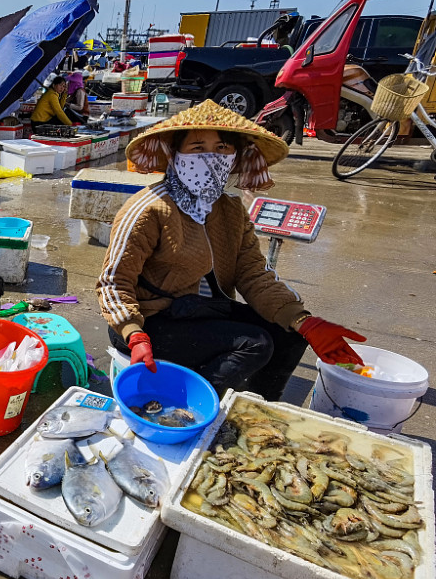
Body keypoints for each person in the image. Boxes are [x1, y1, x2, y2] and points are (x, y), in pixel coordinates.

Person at [97, 100, 365, 401]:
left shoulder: (230, 209)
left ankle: (259, 408)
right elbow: (112, 284)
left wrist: (304, 321)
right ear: (175, 154)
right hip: (148, 321)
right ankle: (188, 408)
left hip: (198, 309)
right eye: (198, 148)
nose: (211, 158)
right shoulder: (149, 209)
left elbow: (253, 274)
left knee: (289, 334)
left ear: (235, 157)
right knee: (255, 343)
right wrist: (134, 333)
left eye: (222, 148)